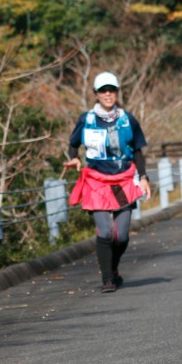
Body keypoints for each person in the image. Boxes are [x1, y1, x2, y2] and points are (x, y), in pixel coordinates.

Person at [65, 71, 151, 293]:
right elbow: (73, 143)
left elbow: (139, 150)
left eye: (111, 90)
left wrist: (143, 177)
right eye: (103, 90)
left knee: (121, 236)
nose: (108, 94)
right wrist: (73, 157)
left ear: (117, 92)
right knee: (104, 232)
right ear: (95, 93)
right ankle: (107, 279)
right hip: (96, 181)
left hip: (123, 179)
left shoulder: (127, 119)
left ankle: (113, 269)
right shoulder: (87, 119)